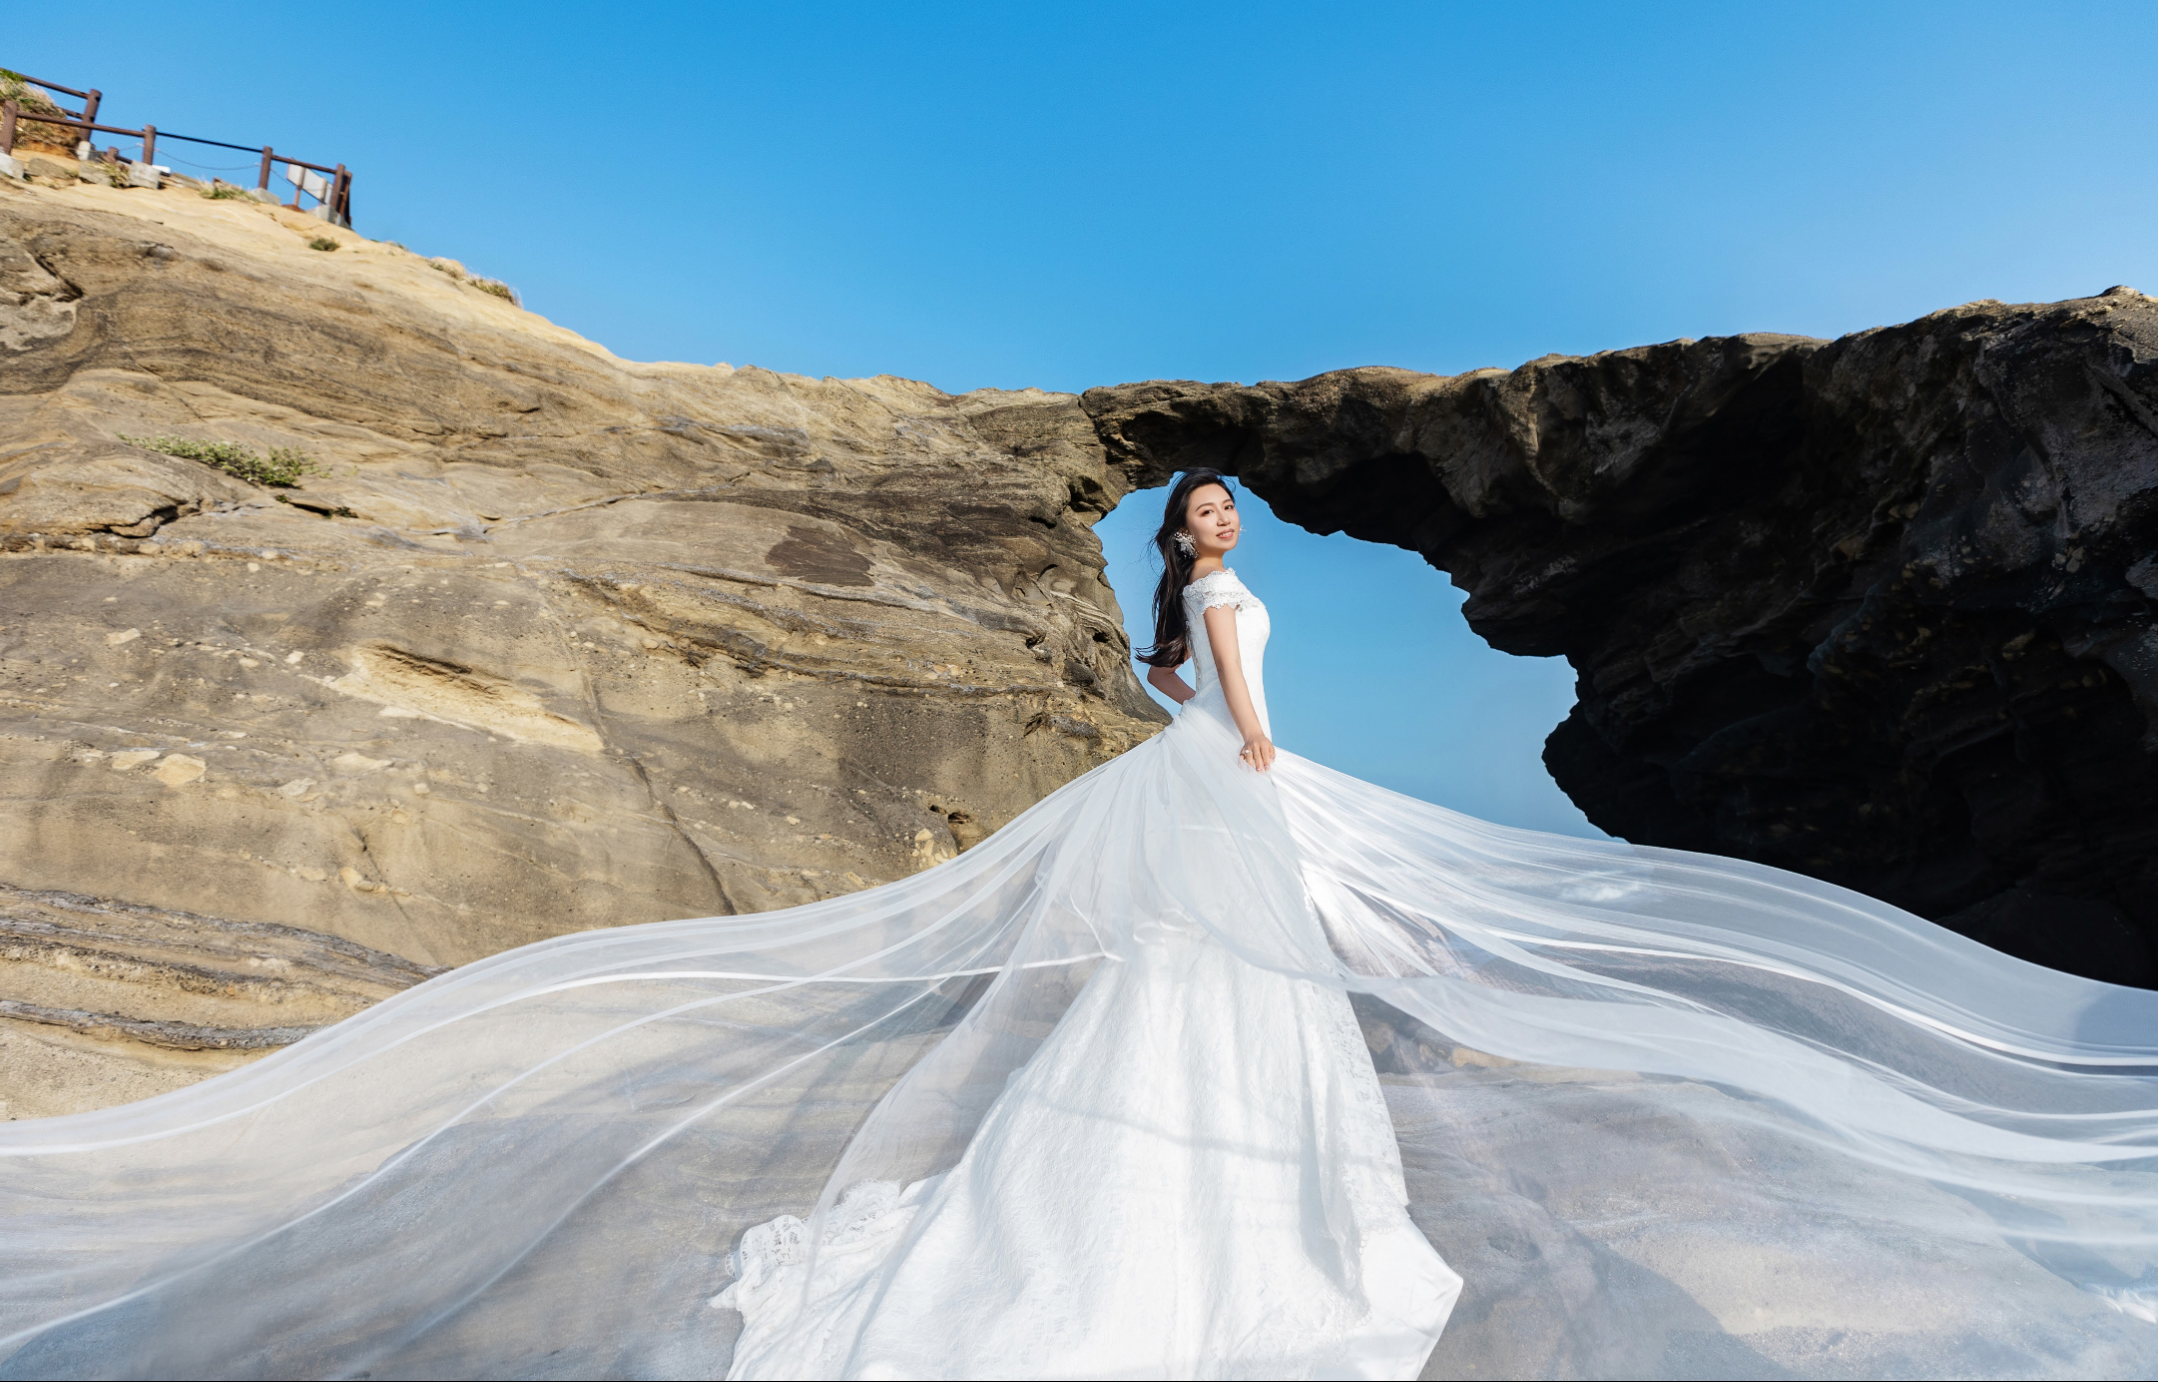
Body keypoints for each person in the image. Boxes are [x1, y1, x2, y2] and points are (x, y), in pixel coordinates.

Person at [2, 470, 2155, 1381]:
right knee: (1251, 985)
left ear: (1224, 525)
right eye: (1195, 513)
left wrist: (1245, 762)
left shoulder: (1190, 597)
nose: (1210, 527)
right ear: (1187, 539)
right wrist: (1272, 776)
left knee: (1210, 996)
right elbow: (1238, 713)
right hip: (1232, 780)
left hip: (1199, 779)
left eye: (1218, 509)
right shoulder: (1219, 611)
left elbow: (1199, 695)